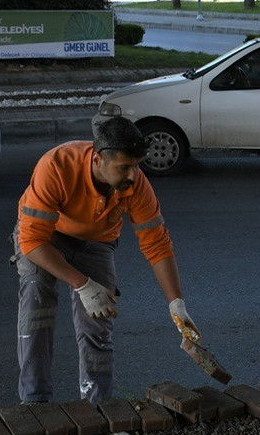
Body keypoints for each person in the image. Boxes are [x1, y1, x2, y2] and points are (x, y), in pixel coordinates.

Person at [13, 116, 201, 405]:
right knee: (38, 302)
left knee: (98, 322)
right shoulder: (57, 166)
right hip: (46, 238)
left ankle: (97, 408)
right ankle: (34, 403)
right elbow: (32, 242)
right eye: (124, 167)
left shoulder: (135, 185)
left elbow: (157, 245)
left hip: (96, 242)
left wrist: (177, 304)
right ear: (98, 159)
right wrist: (82, 284)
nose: (133, 175)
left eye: (137, 166)